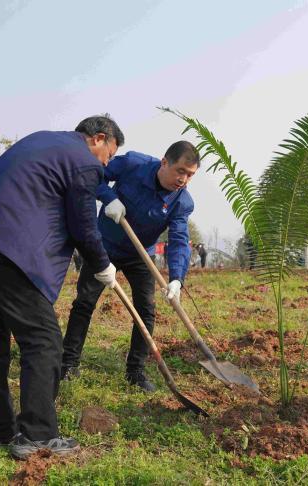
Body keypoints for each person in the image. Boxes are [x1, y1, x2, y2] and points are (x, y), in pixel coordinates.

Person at [0, 116, 123, 459]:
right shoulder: (84, 161)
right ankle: (38, 435)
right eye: (109, 155)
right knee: (43, 340)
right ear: (98, 139)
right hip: (7, 244)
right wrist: (102, 265)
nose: (106, 164)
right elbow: (84, 225)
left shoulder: (44, 140)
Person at [61, 142, 199, 391]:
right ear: (164, 162)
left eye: (190, 175)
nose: (184, 179)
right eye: (180, 171)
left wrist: (177, 278)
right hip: (104, 246)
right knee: (84, 302)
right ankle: (68, 364)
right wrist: (109, 197)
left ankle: (135, 371)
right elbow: (95, 176)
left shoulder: (182, 202)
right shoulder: (134, 164)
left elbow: (179, 239)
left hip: (139, 254)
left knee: (146, 310)